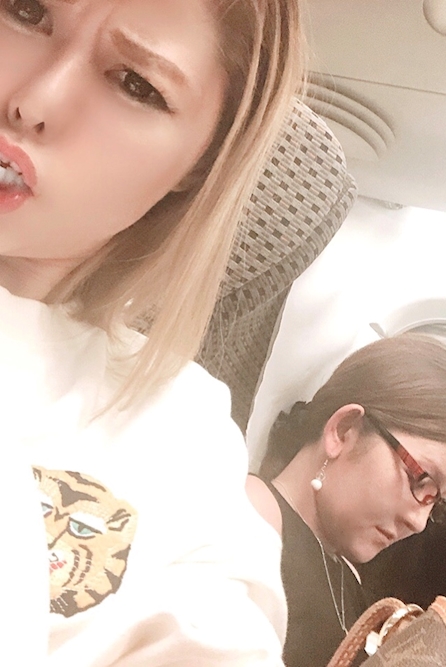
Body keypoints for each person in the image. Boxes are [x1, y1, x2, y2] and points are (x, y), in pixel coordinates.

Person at [1, 0, 304, 663]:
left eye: (136, 84)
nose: (31, 101)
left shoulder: (183, 434)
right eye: (24, 11)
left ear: (199, 164)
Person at [246, 334, 446, 667]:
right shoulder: (250, 519)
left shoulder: (347, 575)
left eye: (438, 504)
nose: (419, 522)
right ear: (343, 430)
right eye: (421, 480)